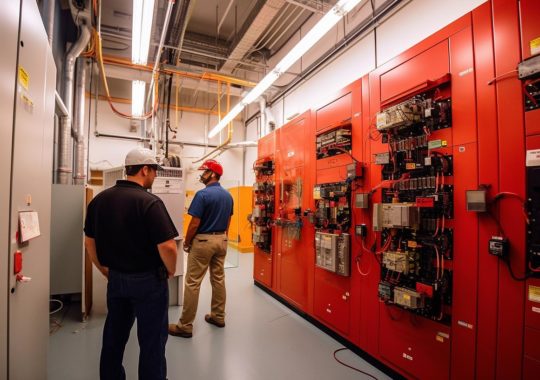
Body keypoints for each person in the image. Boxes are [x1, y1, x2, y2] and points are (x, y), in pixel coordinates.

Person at [84, 147, 178, 380]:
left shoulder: (99, 200)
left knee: (114, 336)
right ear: (144, 169)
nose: (156, 176)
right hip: (149, 283)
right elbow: (167, 246)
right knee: (152, 341)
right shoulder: (150, 202)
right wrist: (171, 270)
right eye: (155, 170)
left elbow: (89, 242)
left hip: (116, 280)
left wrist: (104, 269)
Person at [168, 159, 233, 338]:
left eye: (204, 172)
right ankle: (218, 316)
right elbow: (228, 220)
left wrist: (188, 243)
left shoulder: (202, 195)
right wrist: (223, 236)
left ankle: (185, 326)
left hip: (203, 241)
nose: (201, 175)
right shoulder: (228, 196)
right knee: (218, 279)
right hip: (222, 239)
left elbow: (194, 223)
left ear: (213, 174)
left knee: (192, 283)